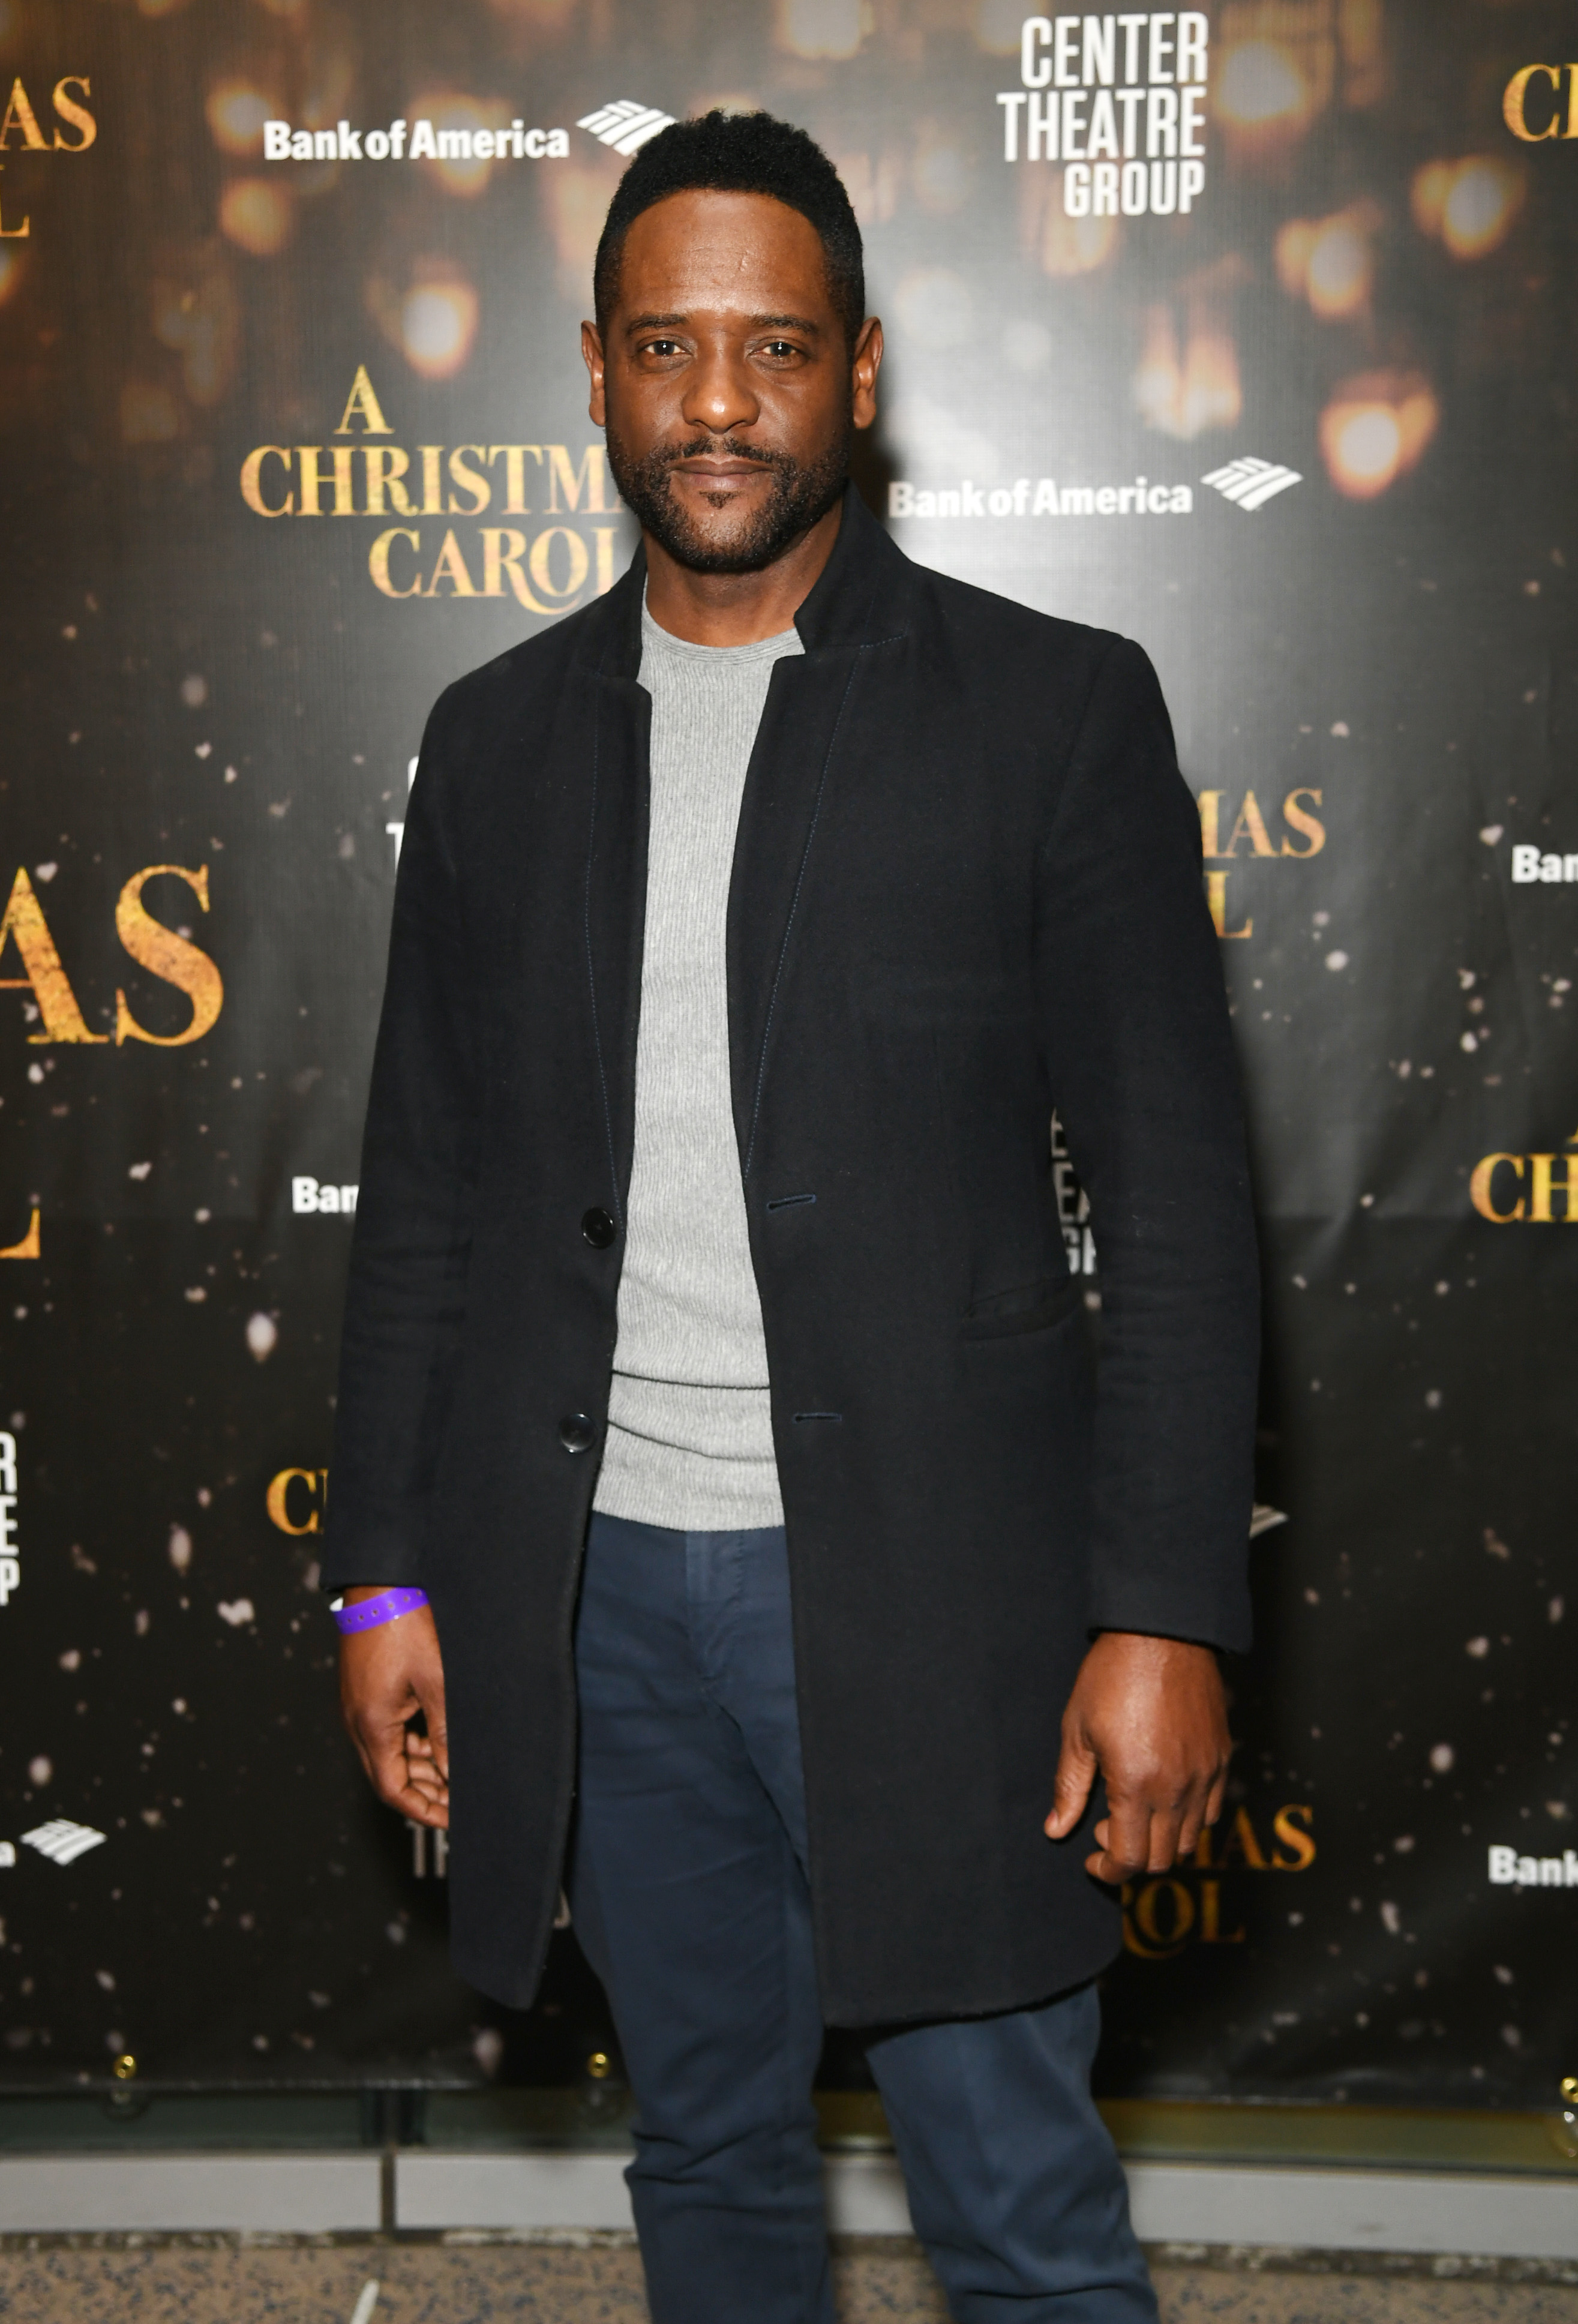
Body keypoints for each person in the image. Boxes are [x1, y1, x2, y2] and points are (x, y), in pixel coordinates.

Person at [325, 110, 1259, 2324]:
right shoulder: (493, 743)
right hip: (602, 1602)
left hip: (952, 1601)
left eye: (772, 347)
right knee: (710, 2158)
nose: (719, 402)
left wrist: (1168, 1610)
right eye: (668, 346)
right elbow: (430, 1201)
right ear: (593, 368)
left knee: (1020, 2211)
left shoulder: (1058, 713)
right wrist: (383, 1566)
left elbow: (1182, 1205)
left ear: (862, 367)